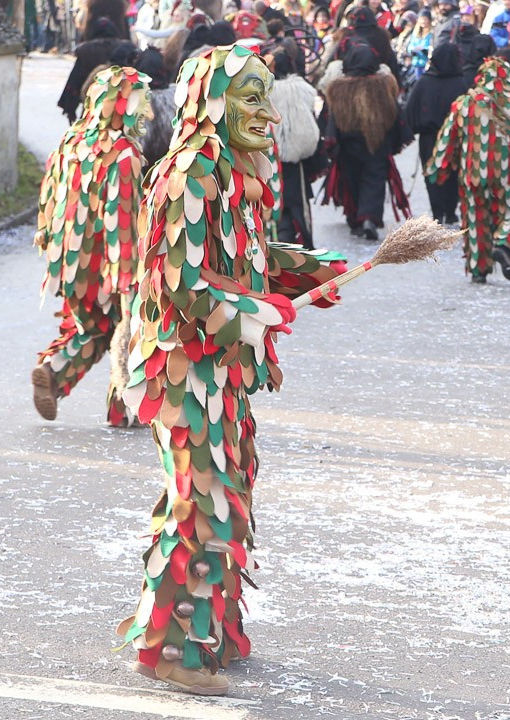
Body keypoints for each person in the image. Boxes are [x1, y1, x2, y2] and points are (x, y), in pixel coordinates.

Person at [118, 44, 347, 697]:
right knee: (202, 498)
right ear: (211, 101)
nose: (267, 114)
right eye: (251, 97)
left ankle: (207, 627)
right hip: (184, 365)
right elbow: (182, 282)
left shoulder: (241, 169)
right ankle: (174, 650)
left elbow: (246, 254)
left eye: (265, 97)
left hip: (226, 370)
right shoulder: (191, 173)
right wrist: (255, 310)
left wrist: (305, 267)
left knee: (229, 490)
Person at [32, 67, 153, 426]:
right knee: (126, 329)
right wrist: (128, 279)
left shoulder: (71, 140)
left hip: (67, 260)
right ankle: (124, 409)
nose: (147, 112)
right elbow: (122, 219)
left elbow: (49, 197)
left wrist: (48, 239)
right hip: (108, 263)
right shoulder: (124, 155)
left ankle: (53, 371)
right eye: (141, 103)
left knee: (91, 328)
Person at [426, 57, 510, 283]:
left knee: (476, 218)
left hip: (472, 174)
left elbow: (448, 138)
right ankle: (504, 246)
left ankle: (478, 269)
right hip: (508, 174)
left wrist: (438, 168)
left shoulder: (466, 103)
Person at [323, 43, 412, 240]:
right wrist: (397, 138)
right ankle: (369, 218)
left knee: (352, 180)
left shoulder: (339, 87)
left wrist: (331, 141)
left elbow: (333, 118)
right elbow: (394, 113)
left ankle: (356, 218)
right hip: (378, 143)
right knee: (374, 180)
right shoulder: (383, 85)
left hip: (349, 144)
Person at [406, 42, 470, 225]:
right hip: (454, 138)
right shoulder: (460, 83)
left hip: (430, 137)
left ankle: (438, 211)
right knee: (453, 173)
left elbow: (410, 111)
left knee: (432, 174)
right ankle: (450, 211)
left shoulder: (424, 82)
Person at [269, 50, 323, 249]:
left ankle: (281, 241)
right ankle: (302, 242)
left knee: (276, 200)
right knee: (298, 203)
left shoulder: (265, 90)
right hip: (297, 155)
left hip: (272, 157)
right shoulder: (303, 89)